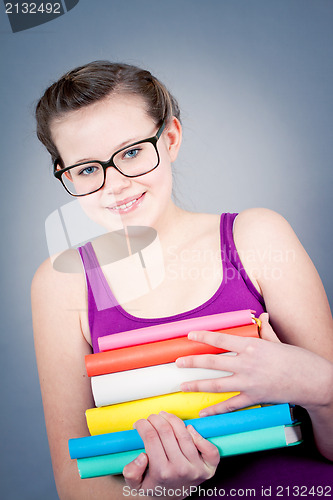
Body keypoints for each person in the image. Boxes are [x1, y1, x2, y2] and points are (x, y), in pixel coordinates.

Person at [32, 61, 333, 499]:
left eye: (132, 152)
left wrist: (320, 386)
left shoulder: (255, 236)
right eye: (86, 169)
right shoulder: (62, 283)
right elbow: (78, 487)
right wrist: (158, 491)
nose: (115, 185)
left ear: (169, 138)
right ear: (65, 173)